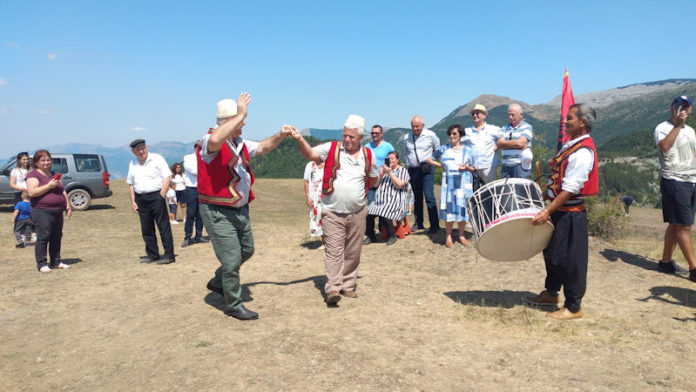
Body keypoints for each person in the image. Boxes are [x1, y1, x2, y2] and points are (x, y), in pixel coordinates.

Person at [198, 93, 293, 320]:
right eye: (240, 121)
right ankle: (232, 304)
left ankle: (218, 281)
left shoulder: (239, 143)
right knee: (231, 260)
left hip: (240, 209)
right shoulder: (209, 140)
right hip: (217, 210)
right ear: (227, 122)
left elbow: (261, 147)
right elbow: (213, 143)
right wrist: (239, 114)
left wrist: (280, 135)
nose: (244, 124)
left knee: (247, 250)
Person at [290, 114, 379, 305]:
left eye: (351, 137)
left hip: (358, 211)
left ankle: (348, 286)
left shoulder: (367, 155)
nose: (346, 139)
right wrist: (300, 139)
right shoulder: (331, 148)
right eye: (345, 135)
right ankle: (332, 288)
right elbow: (310, 154)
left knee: (353, 251)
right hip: (332, 211)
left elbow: (374, 179)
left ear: (361, 138)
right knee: (333, 250)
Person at [527, 103, 599, 320]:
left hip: (570, 214)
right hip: (558, 211)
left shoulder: (583, 151)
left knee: (569, 259)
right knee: (551, 254)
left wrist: (547, 211)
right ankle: (551, 293)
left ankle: (574, 306)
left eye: (570, 118)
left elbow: (571, 189)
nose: (565, 122)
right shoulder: (571, 145)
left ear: (582, 122)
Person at [654, 95, 696, 282]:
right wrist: (677, 126)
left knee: (675, 222)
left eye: (686, 107)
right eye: (679, 106)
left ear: (690, 109)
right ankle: (694, 268)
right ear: (672, 107)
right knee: (684, 226)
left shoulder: (692, 131)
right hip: (674, 179)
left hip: (691, 180)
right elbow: (664, 147)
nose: (682, 110)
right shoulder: (662, 128)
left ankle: (665, 262)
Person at [126, 139, 175, 265]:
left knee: (163, 226)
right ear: (133, 152)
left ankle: (169, 255)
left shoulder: (157, 159)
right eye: (138, 150)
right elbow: (131, 183)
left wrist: (162, 195)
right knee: (146, 228)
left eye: (143, 148)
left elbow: (167, 176)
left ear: (147, 148)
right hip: (140, 198)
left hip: (156, 196)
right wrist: (133, 201)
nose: (141, 151)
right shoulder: (133, 163)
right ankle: (153, 254)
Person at [427, 124, 476, 247]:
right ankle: (448, 236)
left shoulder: (468, 150)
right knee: (449, 209)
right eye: (450, 134)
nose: (452, 136)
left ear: (460, 135)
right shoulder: (444, 149)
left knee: (462, 209)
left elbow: (474, 168)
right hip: (449, 184)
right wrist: (440, 165)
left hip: (463, 184)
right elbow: (429, 159)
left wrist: (467, 167)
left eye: (454, 133)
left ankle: (461, 235)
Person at [26, 149, 72, 272]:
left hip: (57, 210)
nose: (46, 162)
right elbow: (32, 192)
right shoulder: (33, 175)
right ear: (36, 162)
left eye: (48, 160)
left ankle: (56, 261)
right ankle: (41, 264)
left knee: (56, 236)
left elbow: (62, 190)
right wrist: (48, 186)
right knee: (43, 236)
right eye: (43, 160)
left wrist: (67, 205)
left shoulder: (53, 174)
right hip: (42, 210)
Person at [403, 115, 441, 234]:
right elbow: (406, 153)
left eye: (417, 126)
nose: (415, 129)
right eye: (413, 126)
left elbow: (438, 150)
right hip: (413, 170)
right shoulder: (406, 137)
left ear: (423, 125)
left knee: (429, 196)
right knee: (417, 197)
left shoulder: (430, 135)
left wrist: (433, 162)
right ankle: (418, 223)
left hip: (427, 169)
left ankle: (434, 224)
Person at [366, 151, 410, 245]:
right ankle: (371, 236)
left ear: (397, 159)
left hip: (396, 200)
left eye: (392, 158)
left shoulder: (403, 170)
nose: (390, 160)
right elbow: (375, 185)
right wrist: (381, 174)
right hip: (380, 201)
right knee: (367, 214)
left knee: (384, 212)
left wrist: (390, 173)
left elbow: (400, 185)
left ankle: (392, 236)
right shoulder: (384, 172)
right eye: (388, 159)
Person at [365, 124, 395, 243]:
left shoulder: (388, 146)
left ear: (381, 134)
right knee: (371, 208)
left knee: (384, 208)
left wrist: (387, 170)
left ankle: (388, 233)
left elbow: (393, 161)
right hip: (371, 182)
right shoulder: (367, 147)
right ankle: (370, 235)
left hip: (385, 182)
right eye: (372, 133)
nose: (374, 135)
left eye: (377, 133)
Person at [462, 104, 501, 184]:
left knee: (490, 191)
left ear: (484, 115)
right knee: (474, 192)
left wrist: (498, 146)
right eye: (473, 114)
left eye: (477, 113)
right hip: (473, 168)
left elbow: (504, 137)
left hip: (489, 167)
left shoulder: (493, 129)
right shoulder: (467, 131)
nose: (475, 115)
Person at [181, 142, 207, 247]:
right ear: (195, 148)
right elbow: (192, 171)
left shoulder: (205, 157)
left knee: (200, 214)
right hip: (191, 188)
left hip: (202, 188)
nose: (200, 150)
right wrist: (205, 170)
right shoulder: (188, 158)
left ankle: (199, 236)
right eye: (199, 148)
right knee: (191, 214)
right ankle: (187, 237)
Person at [497, 103, 533, 179]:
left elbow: (521, 143)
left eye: (513, 115)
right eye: (509, 115)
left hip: (520, 166)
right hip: (505, 166)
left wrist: (505, 144)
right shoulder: (504, 128)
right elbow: (499, 144)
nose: (510, 117)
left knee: (520, 189)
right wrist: (516, 143)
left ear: (521, 114)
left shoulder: (526, 127)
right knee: (505, 190)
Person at [303, 160, 325, 246]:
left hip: (328, 196)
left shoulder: (330, 163)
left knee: (330, 219)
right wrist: (308, 196)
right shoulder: (309, 165)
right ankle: (324, 243)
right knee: (318, 218)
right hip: (315, 198)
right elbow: (306, 182)